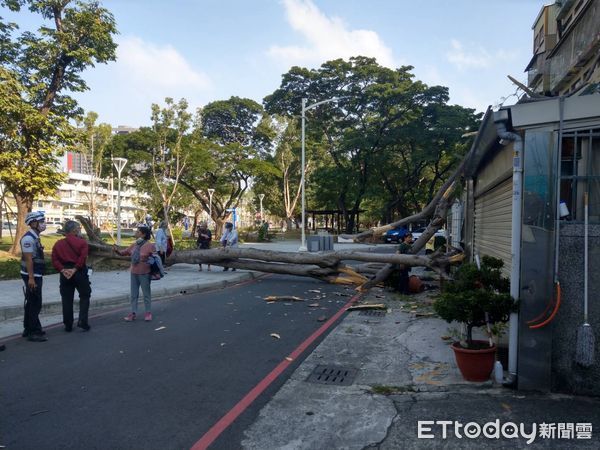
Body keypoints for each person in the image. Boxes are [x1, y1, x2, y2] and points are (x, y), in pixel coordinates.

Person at [51, 220, 92, 332]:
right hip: (79, 271)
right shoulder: (82, 242)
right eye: (79, 228)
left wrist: (63, 270)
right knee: (85, 295)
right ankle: (82, 321)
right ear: (74, 230)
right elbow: (82, 258)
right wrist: (75, 269)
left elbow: (54, 260)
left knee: (66, 298)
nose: (80, 230)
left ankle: (68, 324)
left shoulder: (58, 244)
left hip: (65, 273)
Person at [113, 225, 155, 322]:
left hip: (145, 273)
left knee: (146, 294)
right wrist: (117, 251)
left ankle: (148, 313)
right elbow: (124, 252)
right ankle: (133, 313)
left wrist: (150, 261)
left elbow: (155, 259)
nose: (136, 233)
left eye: (138, 232)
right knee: (134, 294)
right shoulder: (134, 244)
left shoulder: (150, 246)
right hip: (134, 272)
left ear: (143, 234)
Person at [20, 211, 48, 342]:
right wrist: (31, 278)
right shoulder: (28, 239)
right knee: (35, 303)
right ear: (33, 223)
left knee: (31, 302)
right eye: (41, 221)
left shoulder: (35, 237)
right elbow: (29, 260)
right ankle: (33, 332)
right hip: (31, 275)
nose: (44, 224)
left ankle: (28, 328)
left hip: (35, 274)